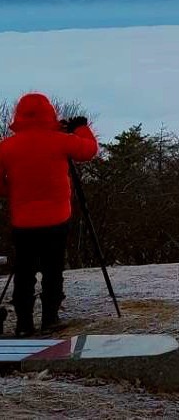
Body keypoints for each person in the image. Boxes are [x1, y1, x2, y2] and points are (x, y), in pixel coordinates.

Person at [0, 93, 99, 336]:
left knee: (24, 271)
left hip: (22, 220)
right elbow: (88, 150)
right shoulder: (60, 140)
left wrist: (11, 191)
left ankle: (24, 323)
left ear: (18, 116)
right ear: (49, 113)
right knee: (52, 269)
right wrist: (80, 128)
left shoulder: (6, 147)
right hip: (56, 218)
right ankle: (50, 319)